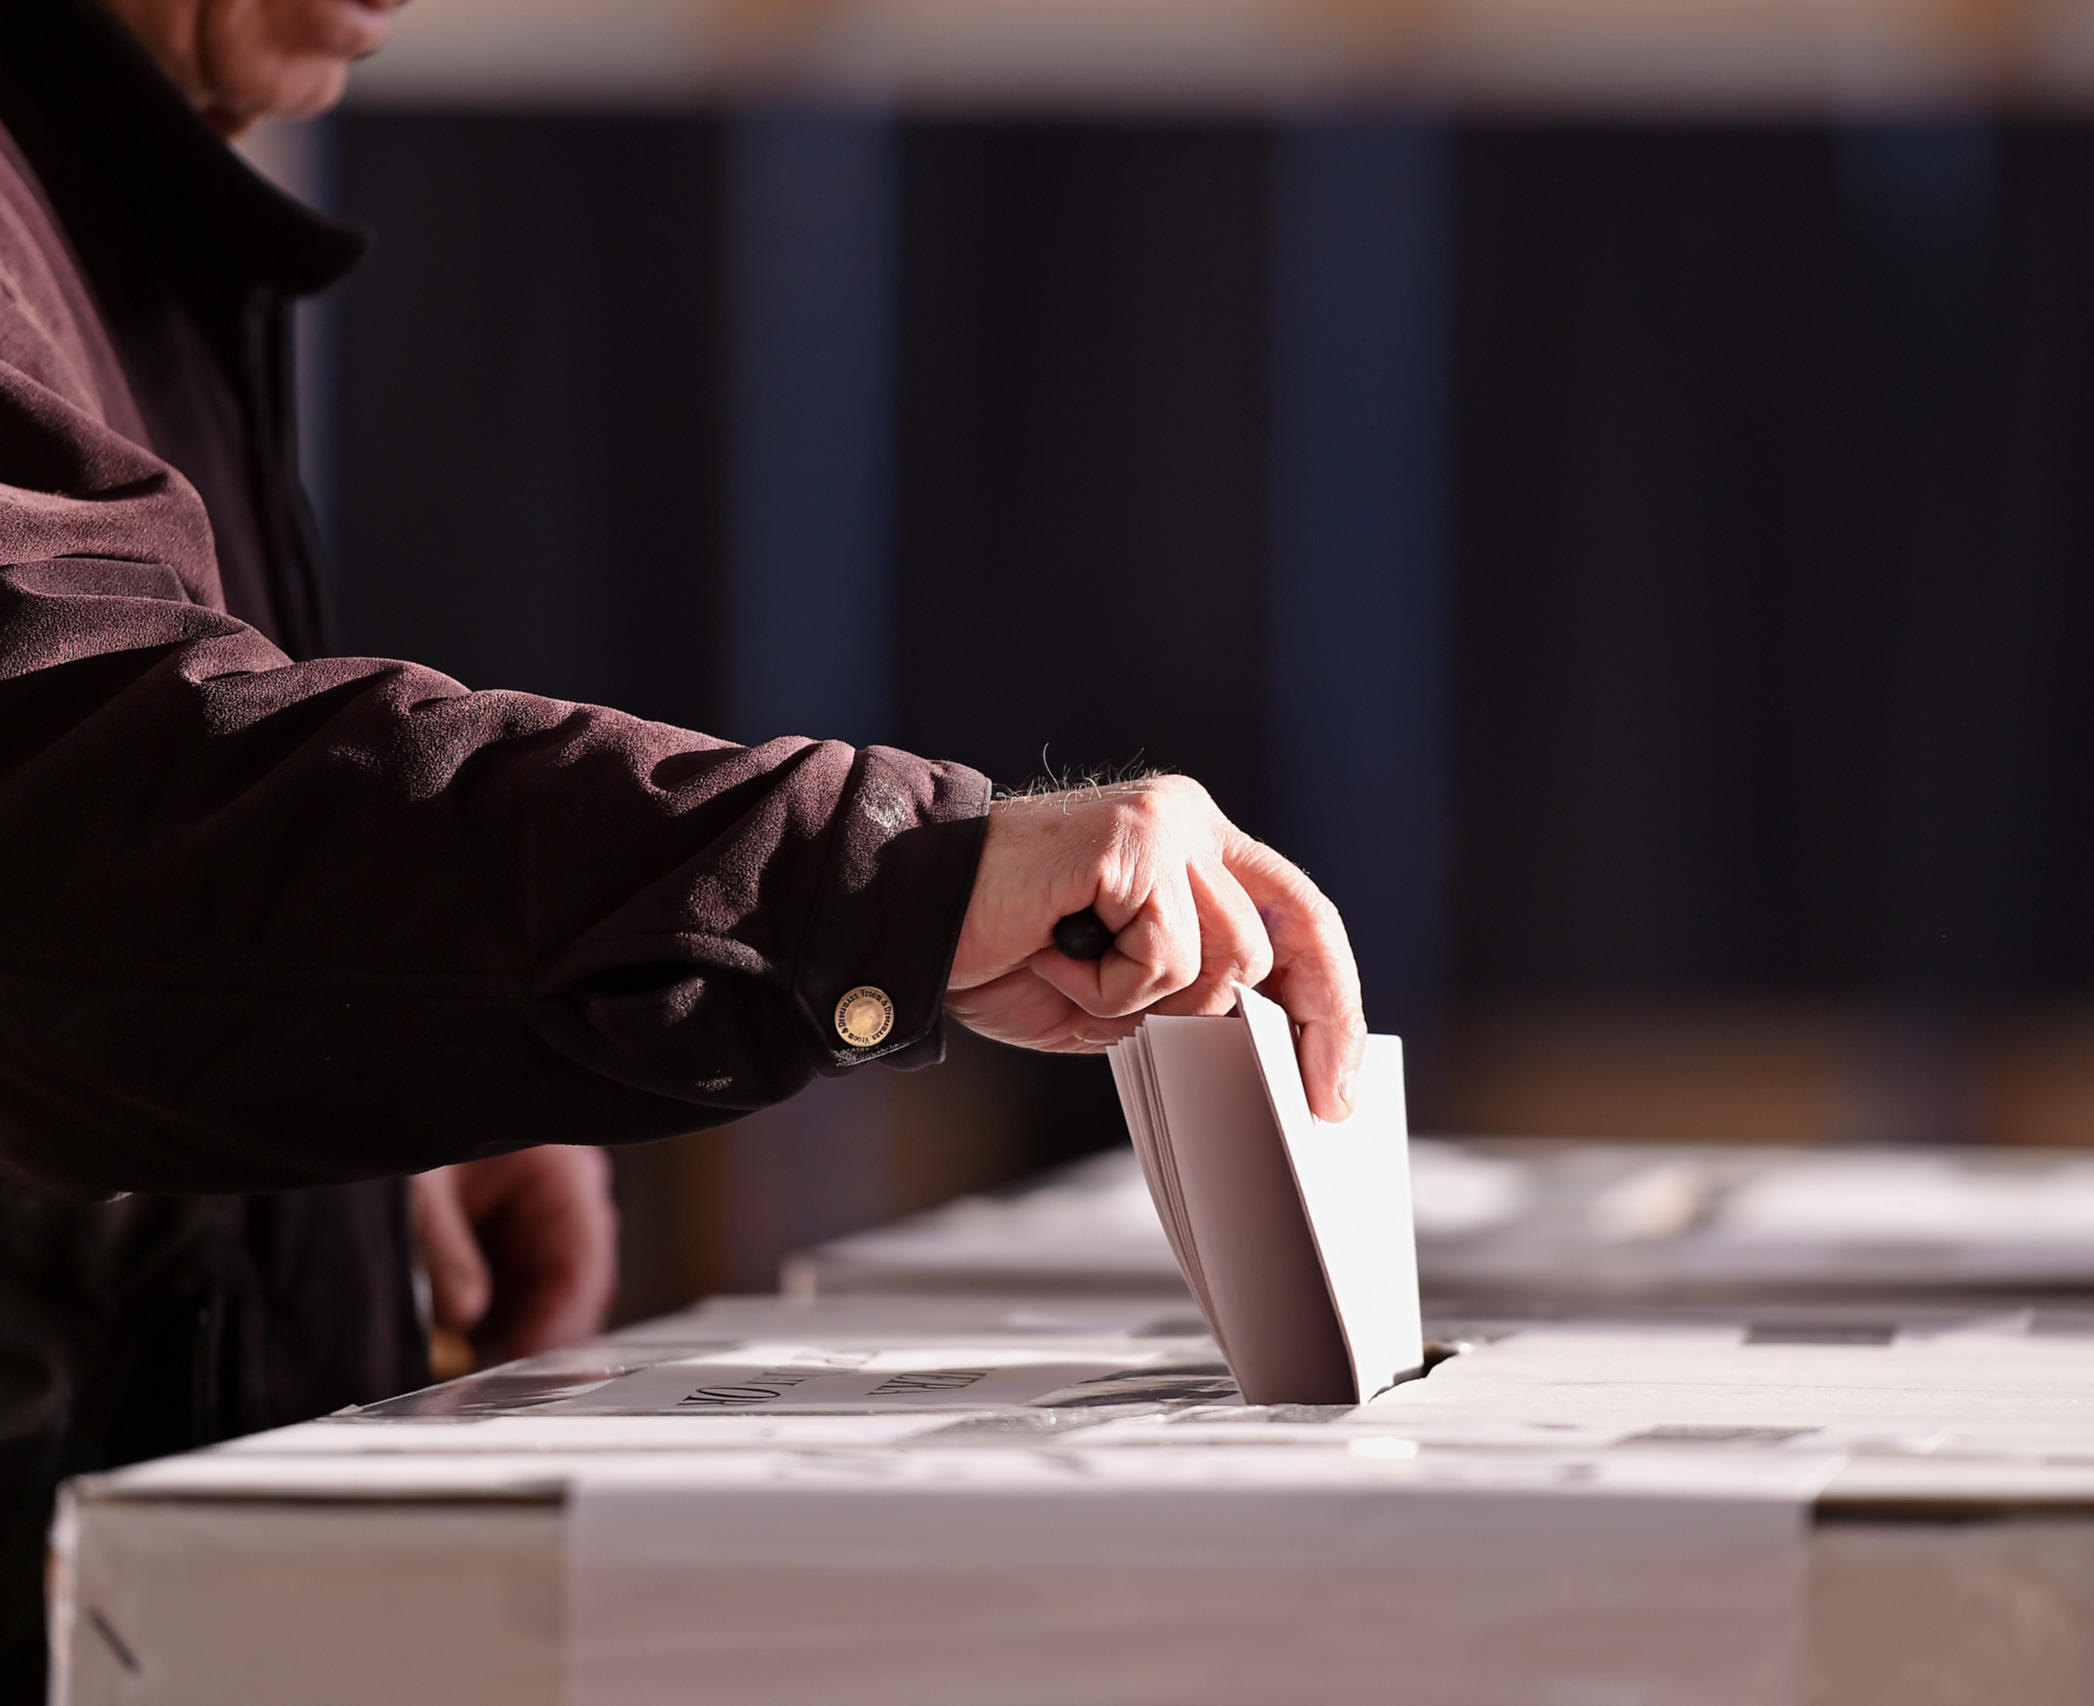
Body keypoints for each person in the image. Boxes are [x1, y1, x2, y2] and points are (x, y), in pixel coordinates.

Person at [0, 0, 1364, 1689]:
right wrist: (884, 881)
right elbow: (69, 831)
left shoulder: (113, 197)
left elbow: (145, 928)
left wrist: (364, 1122)